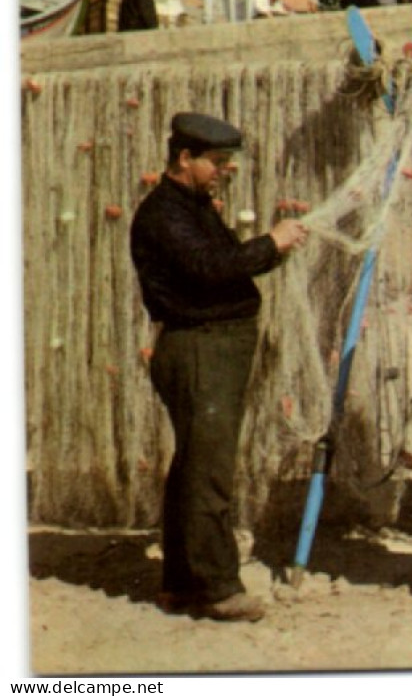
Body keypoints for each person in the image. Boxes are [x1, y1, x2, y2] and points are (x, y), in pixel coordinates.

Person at [131, 112, 309, 621]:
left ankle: (182, 582)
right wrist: (269, 243)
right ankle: (217, 587)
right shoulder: (164, 214)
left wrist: (274, 250)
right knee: (209, 471)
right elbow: (212, 269)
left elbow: (227, 264)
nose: (223, 170)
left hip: (213, 348)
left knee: (193, 465)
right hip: (200, 349)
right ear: (184, 159)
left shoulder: (191, 207)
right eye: (216, 161)